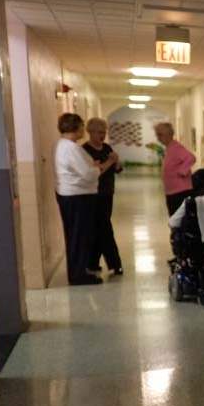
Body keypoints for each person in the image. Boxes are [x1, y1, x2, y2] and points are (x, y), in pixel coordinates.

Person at [54, 113, 116, 286]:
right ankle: (78, 275)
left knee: (78, 235)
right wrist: (99, 167)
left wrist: (94, 167)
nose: (84, 129)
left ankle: (80, 270)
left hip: (75, 195)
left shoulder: (68, 146)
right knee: (78, 236)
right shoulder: (70, 148)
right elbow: (88, 174)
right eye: (82, 126)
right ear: (76, 127)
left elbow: (86, 168)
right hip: (76, 197)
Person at [83, 117, 123, 275]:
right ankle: (115, 263)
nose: (102, 135)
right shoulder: (85, 151)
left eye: (104, 132)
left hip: (107, 194)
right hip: (93, 195)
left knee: (99, 228)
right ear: (90, 132)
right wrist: (109, 162)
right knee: (104, 229)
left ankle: (92, 263)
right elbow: (93, 174)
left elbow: (117, 169)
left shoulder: (106, 148)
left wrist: (117, 161)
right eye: (99, 132)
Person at [155, 122, 196, 215]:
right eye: (157, 135)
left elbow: (191, 158)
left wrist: (182, 171)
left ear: (169, 135)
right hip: (172, 192)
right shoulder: (169, 148)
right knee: (174, 219)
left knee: (178, 221)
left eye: (160, 135)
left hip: (180, 192)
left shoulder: (176, 147)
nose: (158, 138)